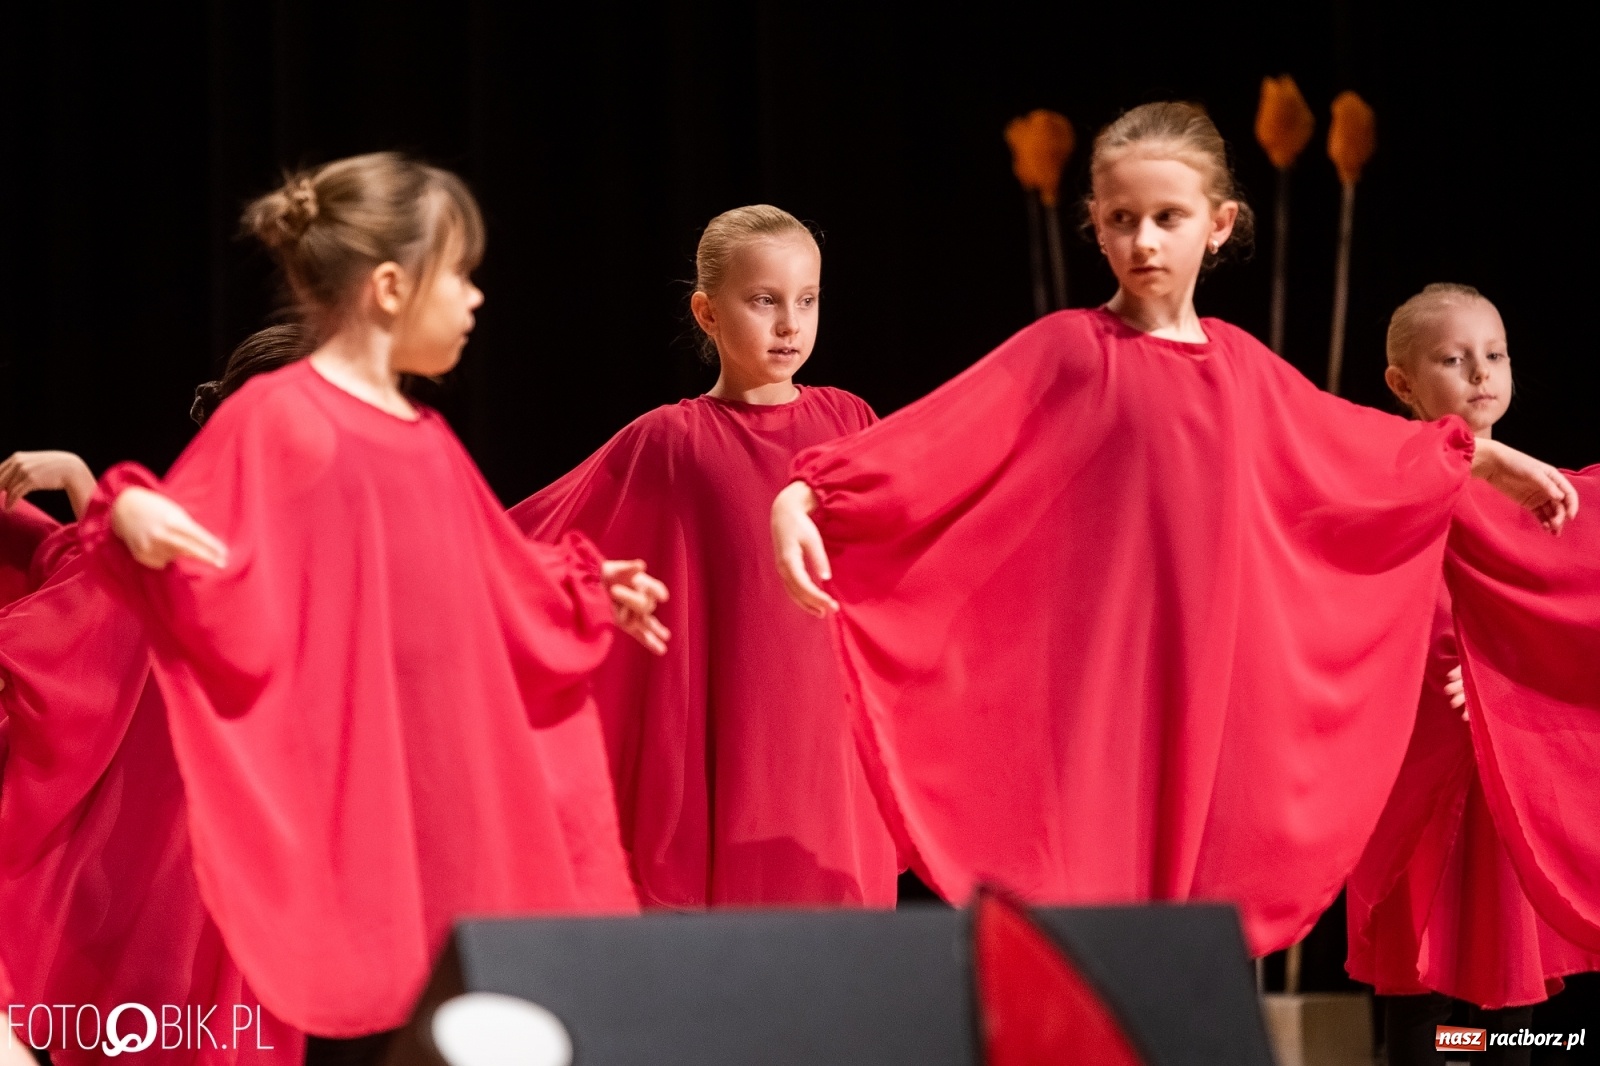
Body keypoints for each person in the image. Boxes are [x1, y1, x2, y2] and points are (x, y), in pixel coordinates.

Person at [768, 102, 1577, 955]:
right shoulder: (1069, 351)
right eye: (1122, 220)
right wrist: (804, 495)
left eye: (1168, 218)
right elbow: (933, 443)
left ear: (1219, 225)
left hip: (1211, 695)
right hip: (1094, 695)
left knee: (1189, 932)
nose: (1145, 241)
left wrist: (1485, 459)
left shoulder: (1243, 370)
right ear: (1096, 225)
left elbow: (1355, 452)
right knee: (1087, 927)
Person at [64, 152, 668, 1061]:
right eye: (458, 274)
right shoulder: (283, 417)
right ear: (390, 286)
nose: (473, 299)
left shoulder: (425, 438)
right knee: (380, 1018)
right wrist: (134, 511)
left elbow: (479, 578)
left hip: (446, 786)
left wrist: (579, 587)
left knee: (461, 1006)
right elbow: (217, 574)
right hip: (359, 797)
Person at [513, 205, 896, 907]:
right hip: (727, 743)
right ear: (708, 312)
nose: (789, 323)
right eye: (764, 300)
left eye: (806, 301)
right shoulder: (669, 442)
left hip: (831, 752)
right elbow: (529, 539)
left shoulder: (849, 423)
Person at [0, 325, 316, 1066]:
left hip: (203, 857)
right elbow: (92, 610)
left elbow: (96, 603)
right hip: (172, 853)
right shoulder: (219, 537)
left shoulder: (244, 537)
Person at [1347, 284, 1600, 1066]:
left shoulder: (1550, 498)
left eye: (1494, 355)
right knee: (1417, 998)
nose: (1480, 374)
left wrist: (1501, 683)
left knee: (1506, 1010)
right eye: (1453, 360)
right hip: (1417, 762)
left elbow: (1567, 620)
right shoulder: (1382, 480)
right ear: (1402, 383)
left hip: (1507, 776)